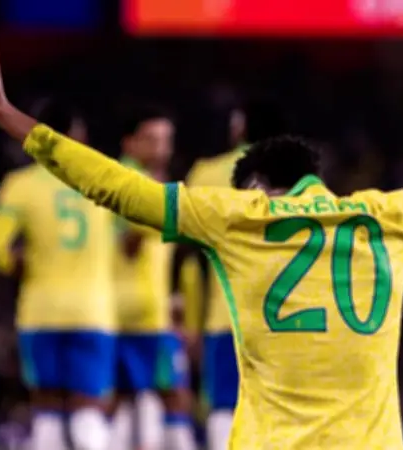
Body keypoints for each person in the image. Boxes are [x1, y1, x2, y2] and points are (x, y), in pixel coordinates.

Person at [0, 15, 403, 449]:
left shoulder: (237, 219)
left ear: (258, 186)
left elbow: (115, 186)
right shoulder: (393, 217)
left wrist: (7, 115)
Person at [0, 99, 115, 450]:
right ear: (77, 136)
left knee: (48, 408)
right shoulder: (101, 178)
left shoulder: (21, 185)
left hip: (40, 311)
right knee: (89, 407)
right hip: (92, 311)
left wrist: (16, 264)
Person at [110, 108, 196, 450]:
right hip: (138, 314)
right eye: (151, 139)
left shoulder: (144, 182)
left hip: (139, 309)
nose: (161, 148)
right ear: (129, 143)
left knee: (124, 399)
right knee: (173, 395)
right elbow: (128, 242)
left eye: (166, 140)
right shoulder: (128, 183)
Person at [184, 105, 250, 450]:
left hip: (225, 315)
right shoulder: (298, 179)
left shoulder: (206, 174)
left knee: (224, 404)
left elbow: (189, 256)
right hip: (288, 320)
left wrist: (190, 319)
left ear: (237, 129)